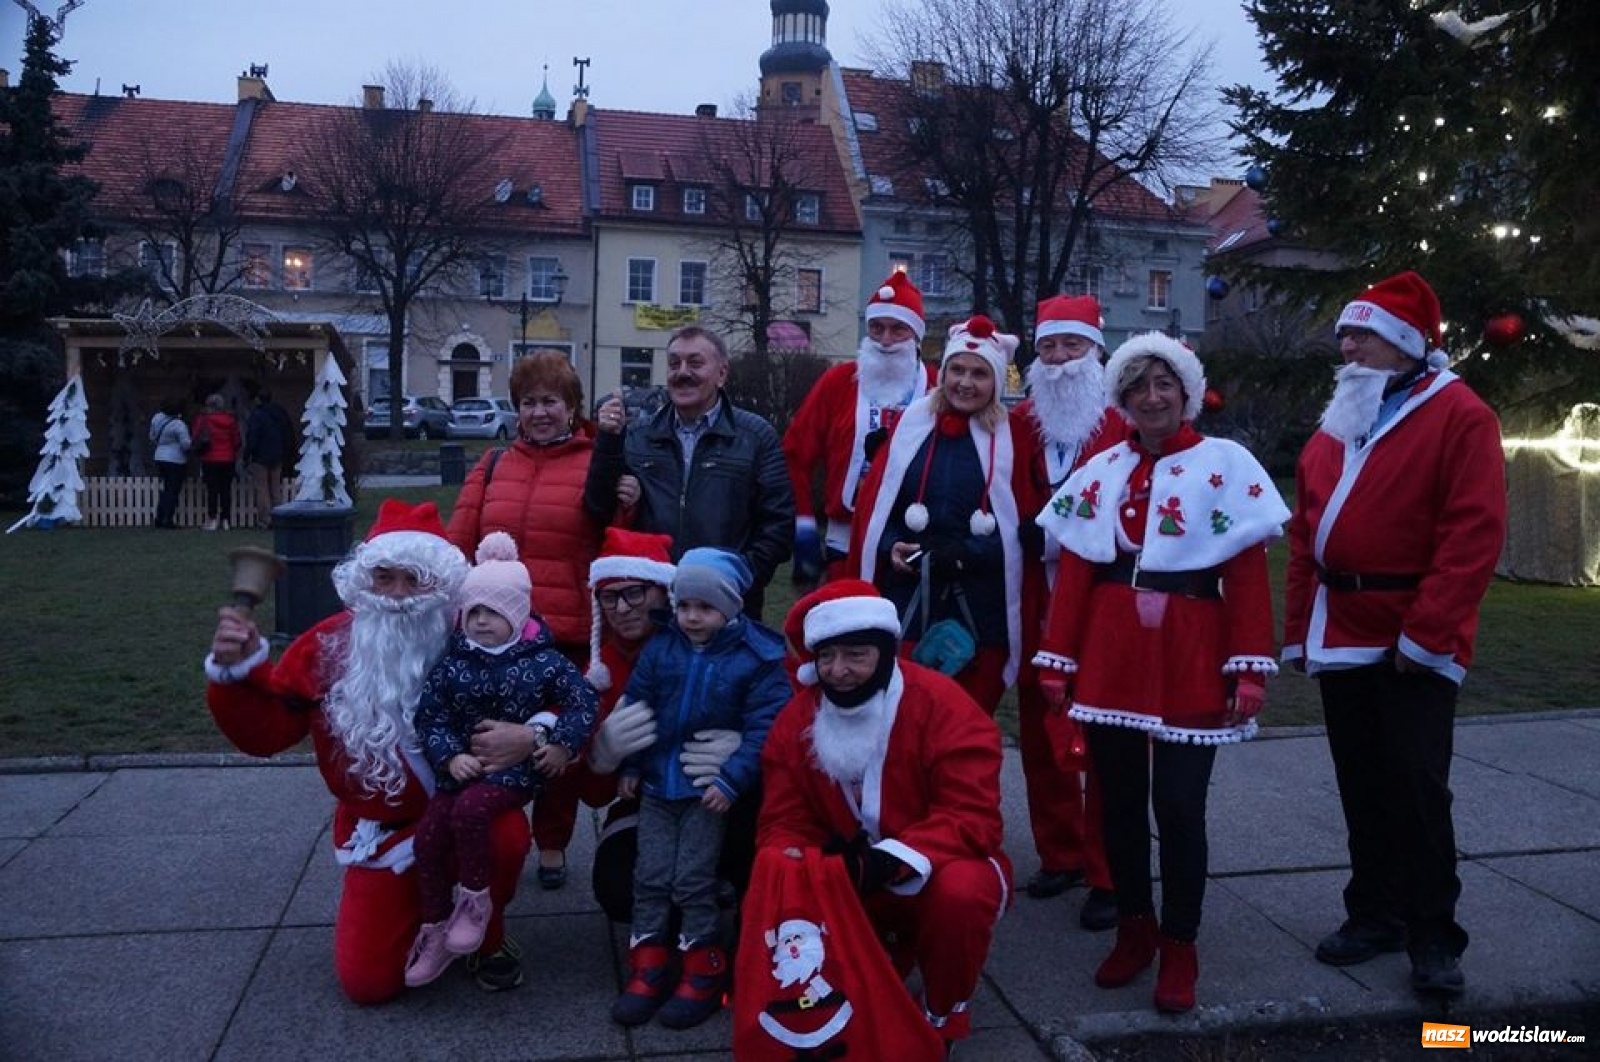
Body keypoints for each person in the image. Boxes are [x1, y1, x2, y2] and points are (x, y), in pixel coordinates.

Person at [1032, 332, 1289, 1014]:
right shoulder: (1104, 468)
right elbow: (1079, 566)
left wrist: (1250, 668)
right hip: (1112, 649)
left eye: (1163, 384)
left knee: (1177, 807)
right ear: (1122, 400)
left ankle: (1181, 944)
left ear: (1187, 392)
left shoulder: (1225, 462)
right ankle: (1133, 931)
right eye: (1138, 387)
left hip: (1191, 647)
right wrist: (1058, 659)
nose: (1151, 397)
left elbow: (1244, 570)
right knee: (1118, 804)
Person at [203, 500, 533, 1002]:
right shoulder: (326, 647)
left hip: (464, 816)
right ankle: (418, 911)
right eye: (385, 577)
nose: (399, 595)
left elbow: (547, 692)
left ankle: (485, 933)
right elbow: (265, 734)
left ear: (442, 586)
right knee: (368, 985)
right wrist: (236, 672)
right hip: (386, 838)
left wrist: (532, 735)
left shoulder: (480, 637)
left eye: (414, 579)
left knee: (504, 835)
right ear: (364, 581)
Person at [1283, 271, 1507, 1000]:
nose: (1346, 343)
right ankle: (1372, 913)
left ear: (1406, 345)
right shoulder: (1340, 423)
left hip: (1411, 634)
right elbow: (1306, 535)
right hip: (1341, 627)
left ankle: (1433, 934)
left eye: (1363, 333)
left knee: (1415, 786)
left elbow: (1472, 534)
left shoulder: (1460, 415)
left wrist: (1428, 633)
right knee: (1361, 783)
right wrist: (1296, 632)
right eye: (1346, 332)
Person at [758, 580, 1011, 1051]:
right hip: (845, 879)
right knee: (781, 872)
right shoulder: (796, 719)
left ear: (884, 651)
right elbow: (782, 819)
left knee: (962, 894)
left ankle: (942, 1014)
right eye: (827, 658)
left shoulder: (944, 706)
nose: (839, 671)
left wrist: (886, 860)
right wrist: (797, 863)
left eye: (856, 655)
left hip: (937, 870)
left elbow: (974, 818)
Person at [404, 532, 599, 987]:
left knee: (473, 813)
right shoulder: (454, 662)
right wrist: (449, 757)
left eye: (493, 611)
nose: (482, 621)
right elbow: (431, 717)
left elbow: (583, 702)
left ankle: (475, 901)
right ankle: (434, 927)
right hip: (462, 771)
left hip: (514, 772)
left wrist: (559, 743)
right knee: (428, 840)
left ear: (516, 613)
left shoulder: (544, 660)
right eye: (473, 611)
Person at [447, 349, 611, 889]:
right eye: (530, 402)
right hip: (493, 632)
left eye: (552, 401)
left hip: (561, 629)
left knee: (558, 745)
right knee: (490, 737)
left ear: (572, 407)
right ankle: (496, 830)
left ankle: (553, 843)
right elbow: (459, 539)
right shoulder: (493, 464)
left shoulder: (597, 463)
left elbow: (613, 534)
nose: (541, 412)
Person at [611, 547, 790, 1031]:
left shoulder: (756, 658)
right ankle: (648, 964)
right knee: (648, 874)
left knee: (692, 878)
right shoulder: (662, 646)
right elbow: (638, 706)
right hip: (657, 781)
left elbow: (765, 728)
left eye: (705, 607)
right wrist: (629, 761)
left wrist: (733, 777)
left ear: (730, 608)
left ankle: (703, 965)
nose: (692, 617)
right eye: (684, 605)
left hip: (707, 787)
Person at [1009, 295, 1124, 924]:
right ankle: (1061, 853)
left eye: (1071, 347)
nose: (1057, 360)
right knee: (1037, 731)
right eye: (1048, 347)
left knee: (1104, 736)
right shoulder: (1022, 422)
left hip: (1101, 604)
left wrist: (1057, 535)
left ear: (1094, 354)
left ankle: (1110, 870)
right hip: (1033, 601)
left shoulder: (1120, 424)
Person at [849, 314, 1023, 715]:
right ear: (942, 372)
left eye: (979, 373)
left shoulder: (1013, 442)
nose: (965, 382)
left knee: (966, 722)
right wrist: (893, 546)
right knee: (904, 717)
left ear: (996, 382)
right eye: (957, 369)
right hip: (908, 599)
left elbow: (1020, 529)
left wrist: (965, 554)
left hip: (980, 611)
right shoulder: (912, 428)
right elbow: (880, 510)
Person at [584, 325, 795, 618]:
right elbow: (599, 509)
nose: (682, 372)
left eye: (695, 363)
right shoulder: (638, 436)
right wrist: (608, 441)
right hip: (654, 606)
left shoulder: (756, 437)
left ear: (722, 374)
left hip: (728, 607)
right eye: (674, 364)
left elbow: (779, 527)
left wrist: (739, 578)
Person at [783, 272, 936, 584]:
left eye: (898, 329)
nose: (886, 340)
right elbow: (795, 454)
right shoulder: (839, 381)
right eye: (877, 328)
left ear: (916, 335)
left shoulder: (936, 387)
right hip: (845, 539)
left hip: (912, 540)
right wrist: (804, 526)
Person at [243, 390, 294, 529]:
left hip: (260, 456)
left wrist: (247, 455)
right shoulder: (279, 413)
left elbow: (252, 437)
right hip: (278, 455)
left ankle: (266, 519)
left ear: (259, 400)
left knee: (262, 488)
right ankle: (278, 517)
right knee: (276, 488)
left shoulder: (257, 415)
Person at [191, 392, 242, 531]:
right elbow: (237, 440)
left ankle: (212, 519)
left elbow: (195, 436)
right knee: (226, 490)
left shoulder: (203, 419)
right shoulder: (230, 420)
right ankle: (226, 520)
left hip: (210, 458)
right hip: (228, 458)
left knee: (212, 490)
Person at [148, 397, 191, 529]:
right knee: (172, 490)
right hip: (175, 459)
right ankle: (168, 519)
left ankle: (159, 517)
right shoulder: (179, 425)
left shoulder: (156, 418)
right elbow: (186, 445)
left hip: (160, 456)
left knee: (164, 488)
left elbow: (152, 436)